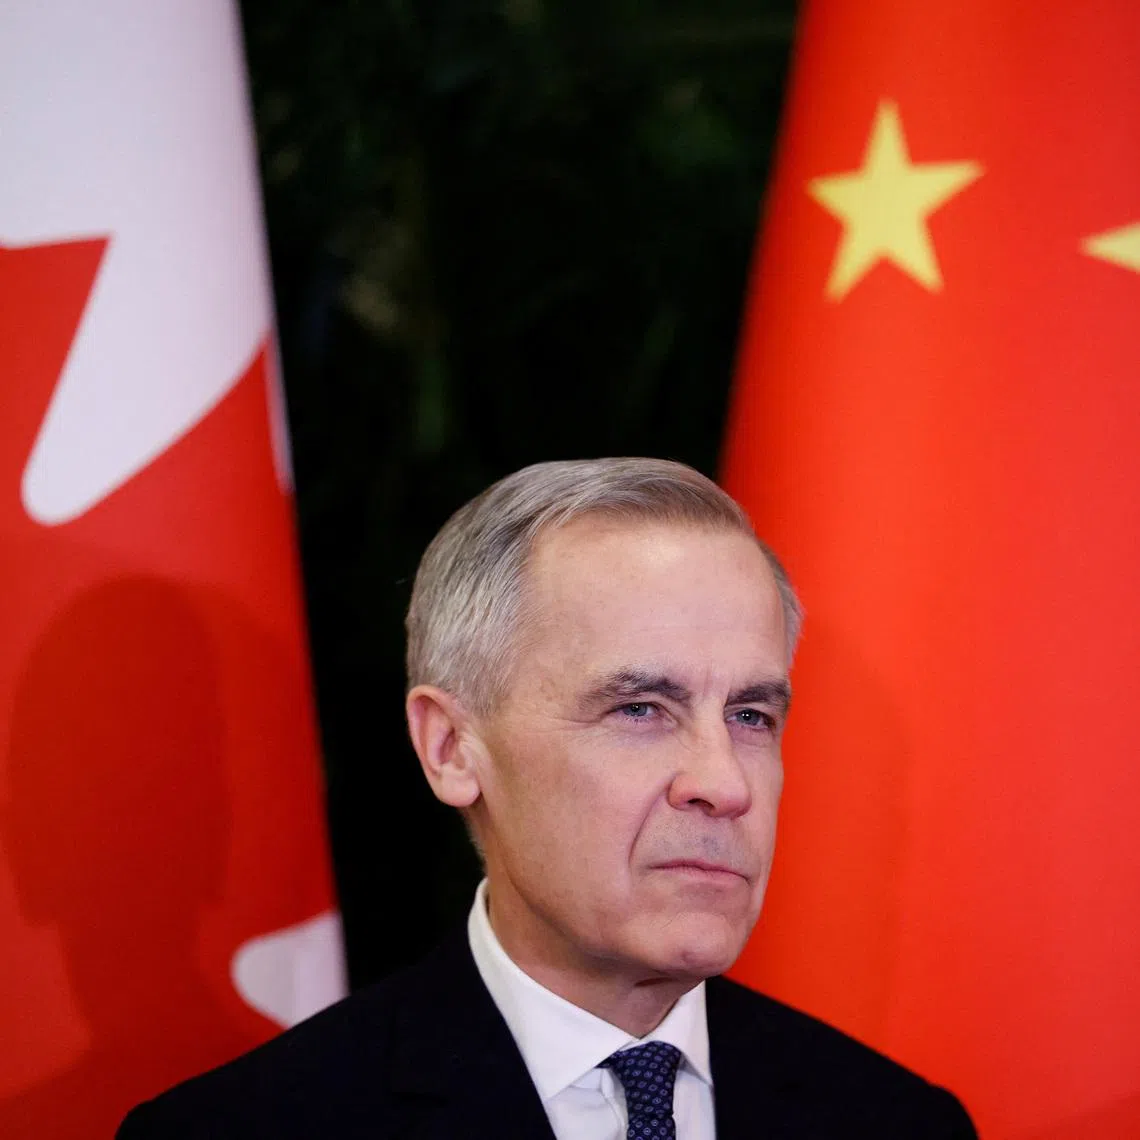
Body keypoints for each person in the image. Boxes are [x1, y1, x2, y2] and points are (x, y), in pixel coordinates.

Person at [117, 457, 977, 1138]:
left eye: (751, 714)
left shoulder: (901, 1122)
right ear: (453, 750)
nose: (724, 783)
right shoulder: (252, 1128)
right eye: (641, 709)